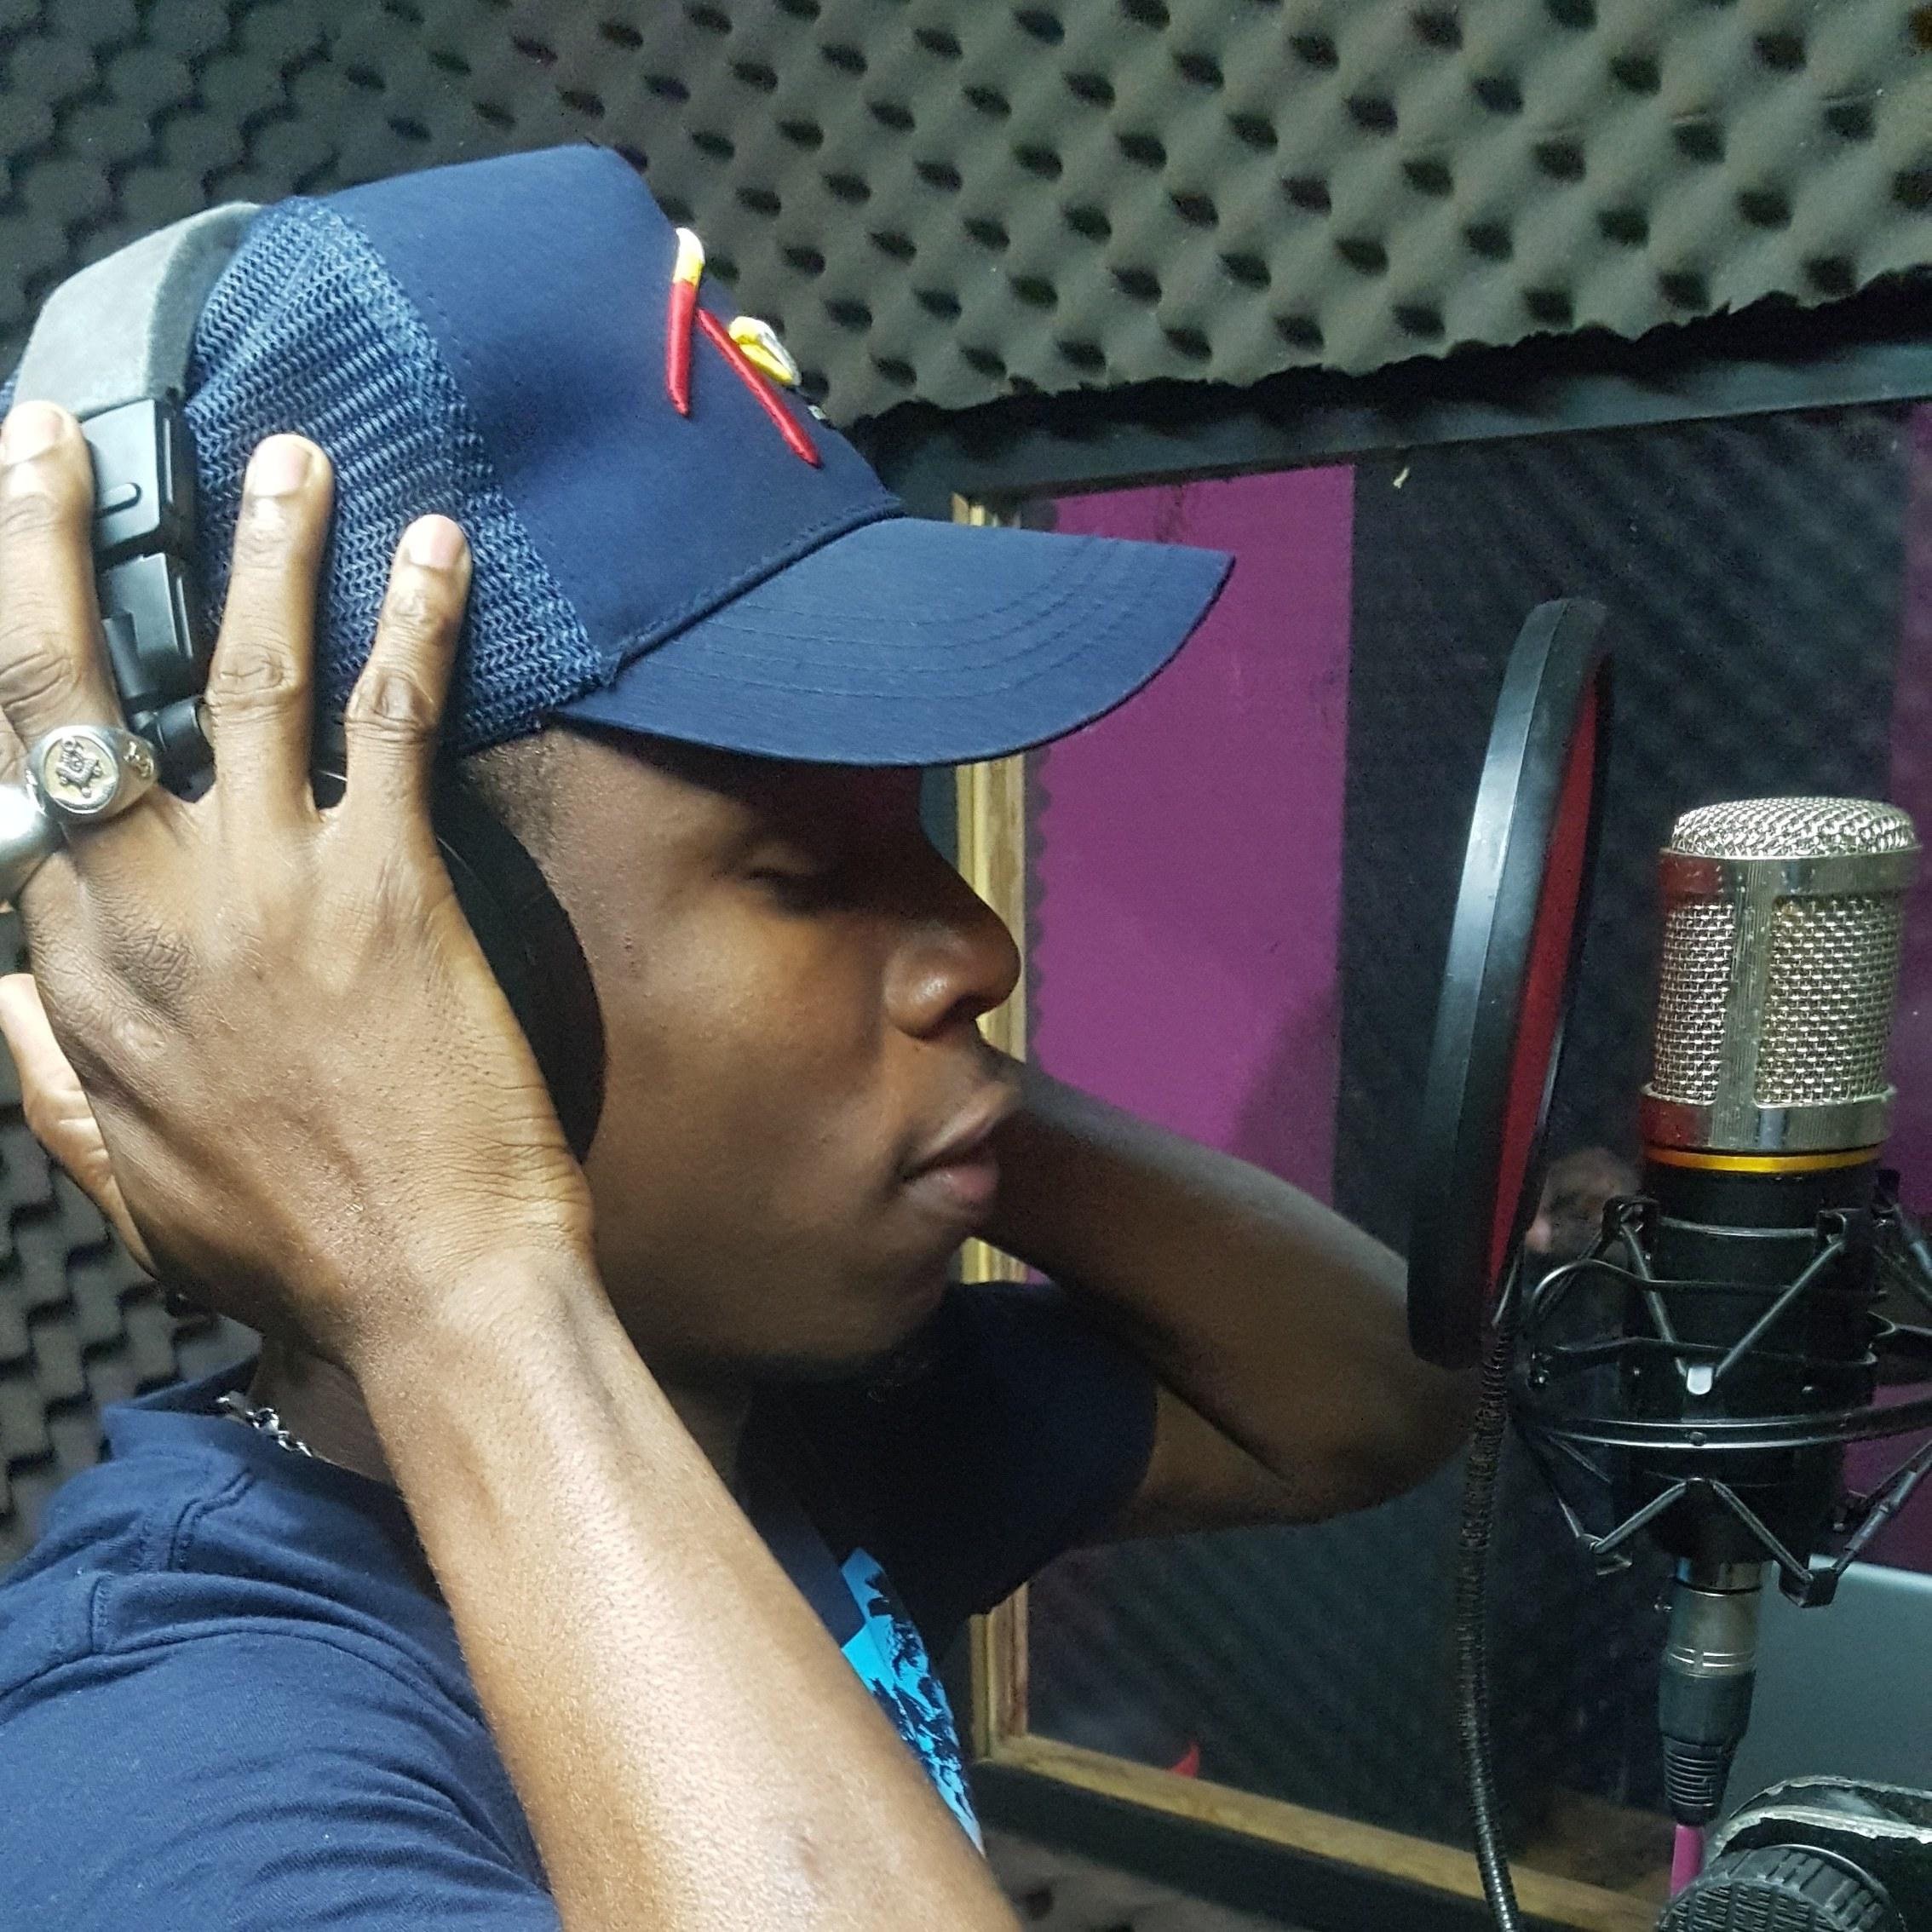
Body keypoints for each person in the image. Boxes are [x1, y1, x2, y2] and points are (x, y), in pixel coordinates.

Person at [0, 147, 1471, 1929]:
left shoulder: (779, 1420)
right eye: (803, 872)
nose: (982, 949)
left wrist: (956, 1099)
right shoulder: (173, 1778)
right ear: (411, 973)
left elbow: (1369, 1399)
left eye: (916, 835)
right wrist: (447, 1279)